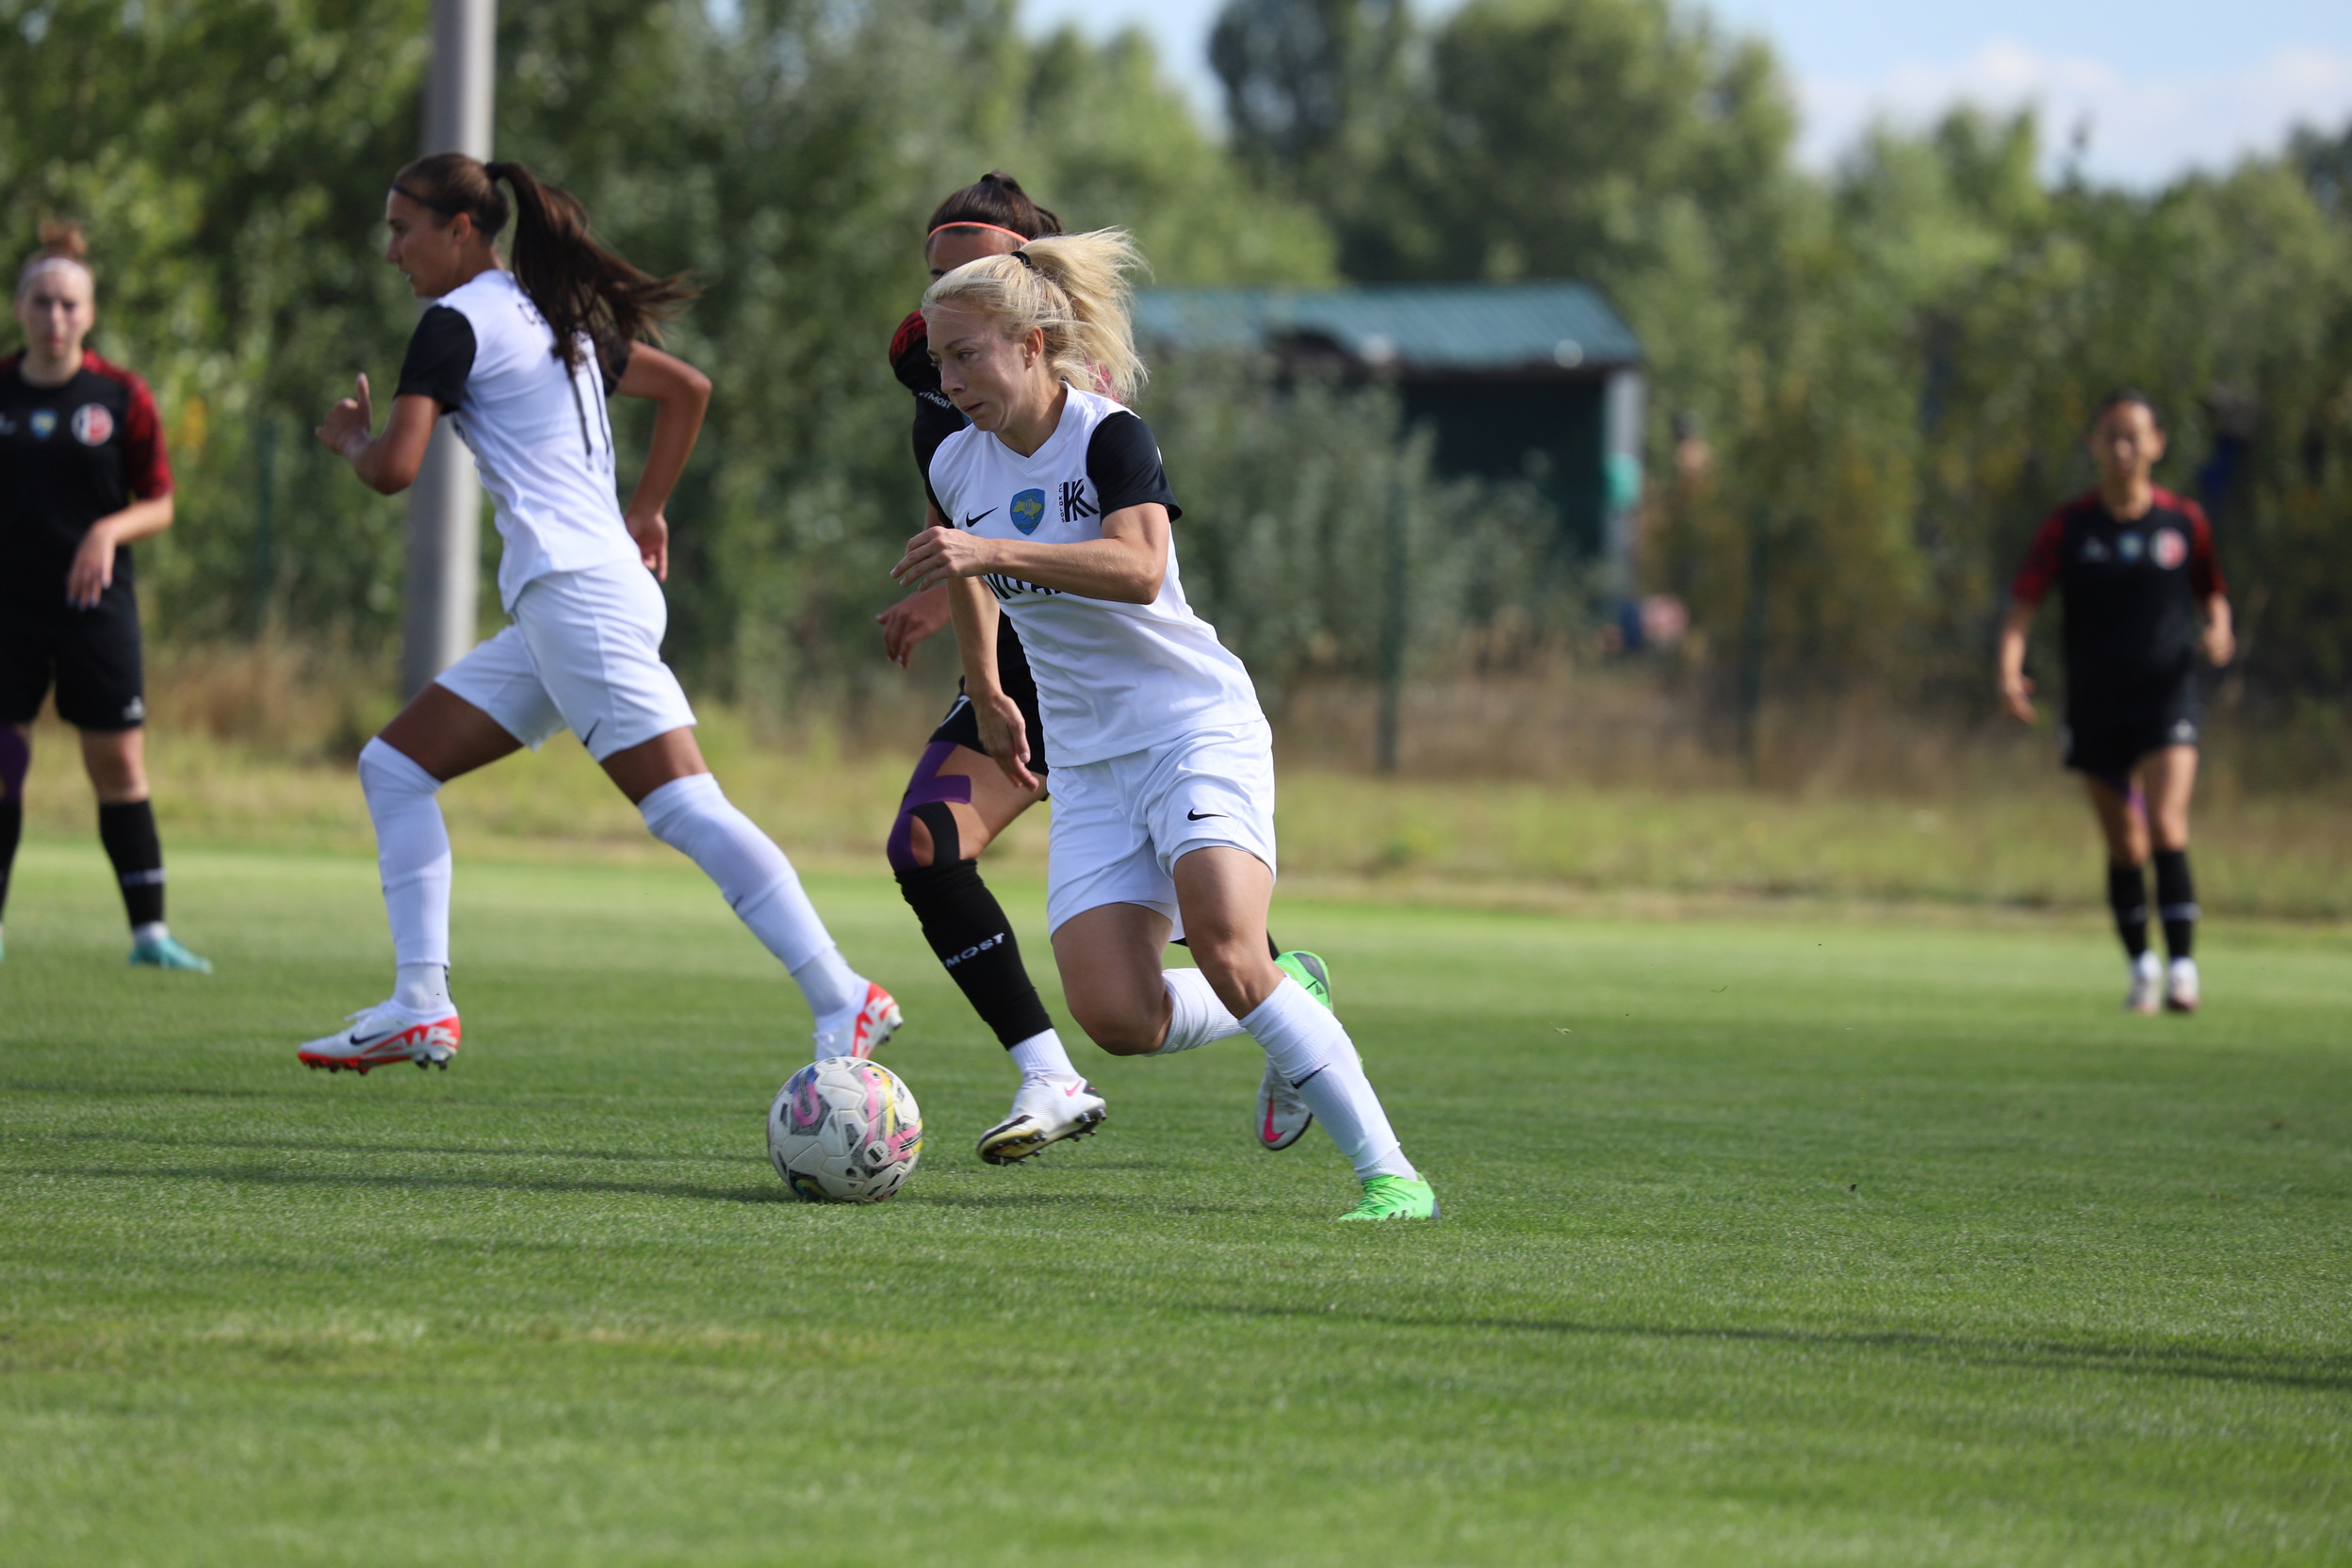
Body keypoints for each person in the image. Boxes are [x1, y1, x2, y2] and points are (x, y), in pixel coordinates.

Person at [299, 154, 898, 1071]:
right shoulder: (552, 316)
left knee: (686, 805)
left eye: (400, 229)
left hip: (575, 595)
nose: (391, 252)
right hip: (578, 596)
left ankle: (842, 994)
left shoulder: (455, 323)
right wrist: (646, 509)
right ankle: (419, 1003)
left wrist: (350, 439)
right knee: (395, 767)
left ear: (459, 229)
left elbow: (393, 469)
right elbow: (688, 389)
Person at [891, 228, 1437, 1220]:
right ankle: (1287, 990)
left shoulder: (1107, 436)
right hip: (1089, 764)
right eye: (940, 361)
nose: (950, 379)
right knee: (1118, 1017)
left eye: (966, 354)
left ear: (1030, 343)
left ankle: (1391, 1176)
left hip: (1193, 729)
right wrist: (989, 686)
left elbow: (1139, 568)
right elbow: (965, 566)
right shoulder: (959, 461)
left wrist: (989, 551)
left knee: (1227, 944)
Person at [879, 174, 1315, 1165]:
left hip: (1102, 669)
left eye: (971, 268)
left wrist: (987, 579)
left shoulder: (1078, 391)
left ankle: (1283, 1000)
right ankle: (1051, 1074)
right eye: (936, 271)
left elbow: (1095, 546)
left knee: (1197, 916)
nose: (945, 288)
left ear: (1027, 286)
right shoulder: (933, 373)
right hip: (1016, 660)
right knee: (925, 846)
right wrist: (975, 667)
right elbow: (967, 530)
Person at [0, 220, 210, 972]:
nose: (54, 317)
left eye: (68, 304)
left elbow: (161, 502)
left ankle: (150, 934)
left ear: (88, 314)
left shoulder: (120, 395)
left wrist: (106, 531)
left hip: (95, 608)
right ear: (19, 307)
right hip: (9, 611)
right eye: (41, 301)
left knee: (117, 763)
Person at [2001, 390, 2233, 1015]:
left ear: (2158, 444)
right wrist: (2009, 669)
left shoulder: (2183, 522)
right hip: (2096, 706)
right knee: (2126, 845)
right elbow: (2023, 604)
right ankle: (2141, 967)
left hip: (2165, 698)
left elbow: (2212, 592)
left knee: (2165, 826)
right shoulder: (2069, 527)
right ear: (2094, 445)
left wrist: (2219, 629)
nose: (2123, 448)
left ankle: (2183, 969)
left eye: (2134, 436)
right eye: (2112, 436)